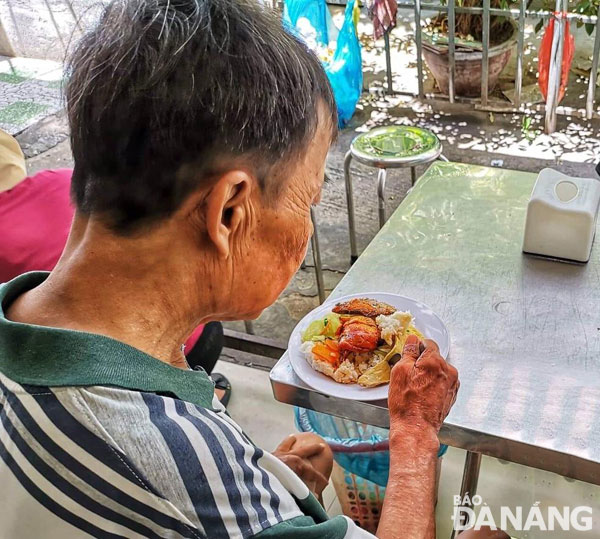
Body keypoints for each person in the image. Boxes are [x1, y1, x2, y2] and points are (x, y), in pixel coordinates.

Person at [0, 0, 466, 536]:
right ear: (228, 211)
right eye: (307, 199)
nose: (309, 230)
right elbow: (177, 487)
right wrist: (415, 434)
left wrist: (269, 500)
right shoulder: (181, 469)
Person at [0, 130, 230, 402]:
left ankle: (204, 404)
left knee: (175, 413)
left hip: (140, 365)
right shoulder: (59, 178)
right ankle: (207, 394)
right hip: (198, 327)